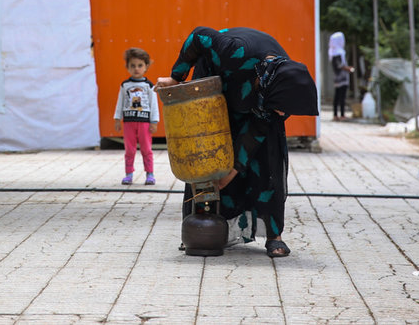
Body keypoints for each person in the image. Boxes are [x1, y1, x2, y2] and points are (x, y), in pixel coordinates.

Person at [155, 26, 318, 258]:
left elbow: (254, 133)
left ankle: (274, 235)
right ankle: (197, 232)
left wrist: (231, 171)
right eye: (281, 109)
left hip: (256, 100)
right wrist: (176, 77)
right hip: (215, 87)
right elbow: (199, 35)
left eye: (285, 111)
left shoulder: (282, 88)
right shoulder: (235, 51)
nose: (283, 114)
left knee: (267, 157)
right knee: (208, 155)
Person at [113, 47, 159, 186]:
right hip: (129, 122)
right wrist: (117, 118)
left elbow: (153, 104)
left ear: (146, 67)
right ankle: (129, 174)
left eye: (140, 65)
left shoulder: (149, 85)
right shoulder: (125, 85)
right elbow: (120, 102)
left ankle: (150, 174)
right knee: (129, 149)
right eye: (132, 66)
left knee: (146, 149)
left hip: (144, 122)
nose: (136, 69)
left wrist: (154, 121)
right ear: (127, 67)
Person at [329, 32, 355, 119]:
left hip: (337, 77)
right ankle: (342, 115)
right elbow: (339, 65)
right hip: (342, 77)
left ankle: (336, 114)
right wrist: (349, 69)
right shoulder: (338, 52)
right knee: (341, 97)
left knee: (337, 96)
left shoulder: (332, 52)